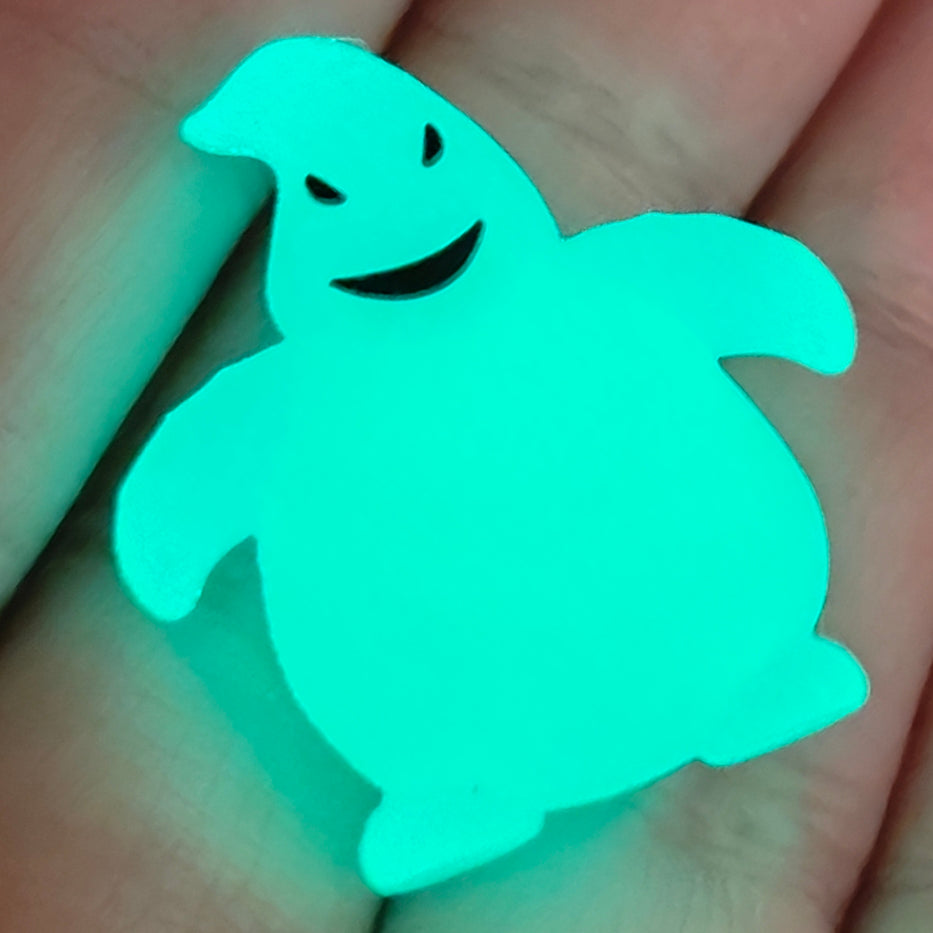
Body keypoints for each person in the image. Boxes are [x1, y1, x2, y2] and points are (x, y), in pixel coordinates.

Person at [0, 1, 930, 930]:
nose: (402, 214)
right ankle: (457, 792)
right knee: (452, 737)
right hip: (460, 724)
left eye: (430, 154)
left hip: (716, 626)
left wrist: (797, 312)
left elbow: (756, 288)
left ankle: (756, 681)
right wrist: (167, 550)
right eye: (327, 195)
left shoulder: (602, 280)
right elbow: (179, 505)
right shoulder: (291, 397)